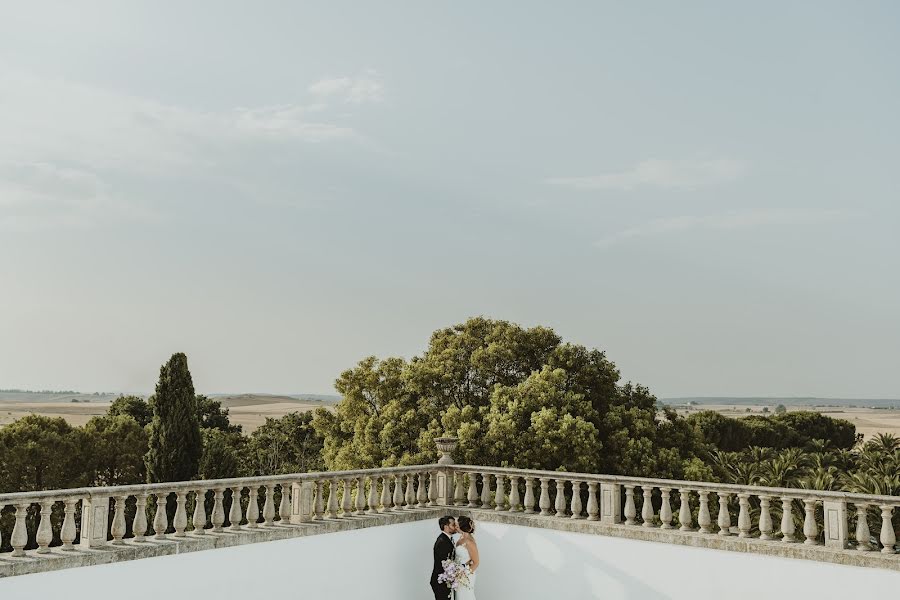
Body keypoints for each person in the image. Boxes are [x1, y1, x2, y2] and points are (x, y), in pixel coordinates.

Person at [430, 516, 457, 600]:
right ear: (446, 527)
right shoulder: (442, 542)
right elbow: (444, 564)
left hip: (445, 580)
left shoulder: (447, 539)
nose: (456, 527)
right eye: (453, 525)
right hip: (440, 582)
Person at [454, 516, 479, 600]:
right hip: (458, 573)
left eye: (457, 526)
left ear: (462, 527)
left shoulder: (470, 542)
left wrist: (464, 574)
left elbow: (476, 562)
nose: (455, 527)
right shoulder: (461, 538)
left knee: (466, 596)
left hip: (466, 576)